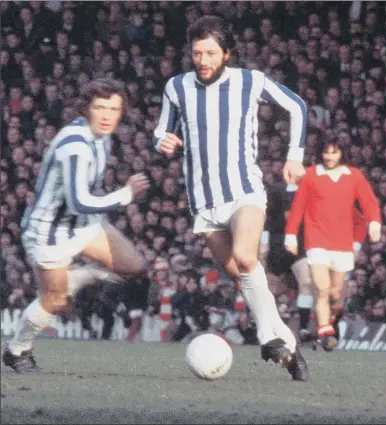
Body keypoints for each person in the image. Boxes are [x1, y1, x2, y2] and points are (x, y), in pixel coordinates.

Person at [154, 15, 309, 381]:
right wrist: (161, 140)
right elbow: (162, 127)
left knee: (245, 257)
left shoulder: (249, 81)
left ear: (227, 53)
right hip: (204, 204)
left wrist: (295, 154)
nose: (202, 60)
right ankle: (285, 346)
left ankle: (269, 336)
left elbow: (296, 106)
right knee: (244, 280)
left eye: (210, 52)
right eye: (197, 53)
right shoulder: (176, 87)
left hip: (244, 190)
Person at [3, 78, 150, 372]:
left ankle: (78, 278)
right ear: (86, 109)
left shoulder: (103, 137)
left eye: (114, 108)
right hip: (49, 232)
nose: (108, 115)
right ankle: (17, 351)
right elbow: (78, 202)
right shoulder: (74, 144)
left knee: (136, 268)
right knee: (54, 300)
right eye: (100, 107)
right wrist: (125, 195)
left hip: (82, 224)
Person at [285, 138, 381, 352]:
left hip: (343, 243)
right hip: (316, 239)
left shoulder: (354, 176)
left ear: (341, 154)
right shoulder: (310, 175)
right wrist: (290, 235)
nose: (330, 157)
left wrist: (374, 222)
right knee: (321, 288)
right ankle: (325, 331)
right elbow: (298, 206)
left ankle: (330, 320)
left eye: (334, 152)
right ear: (321, 153)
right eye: (326, 152)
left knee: (336, 294)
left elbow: (369, 201)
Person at [262, 181, 315, 342]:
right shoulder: (276, 190)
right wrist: (264, 244)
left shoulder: (310, 189)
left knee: (306, 282)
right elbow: (268, 217)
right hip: (278, 245)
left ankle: (304, 328)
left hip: (301, 245)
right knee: (271, 290)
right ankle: (269, 327)